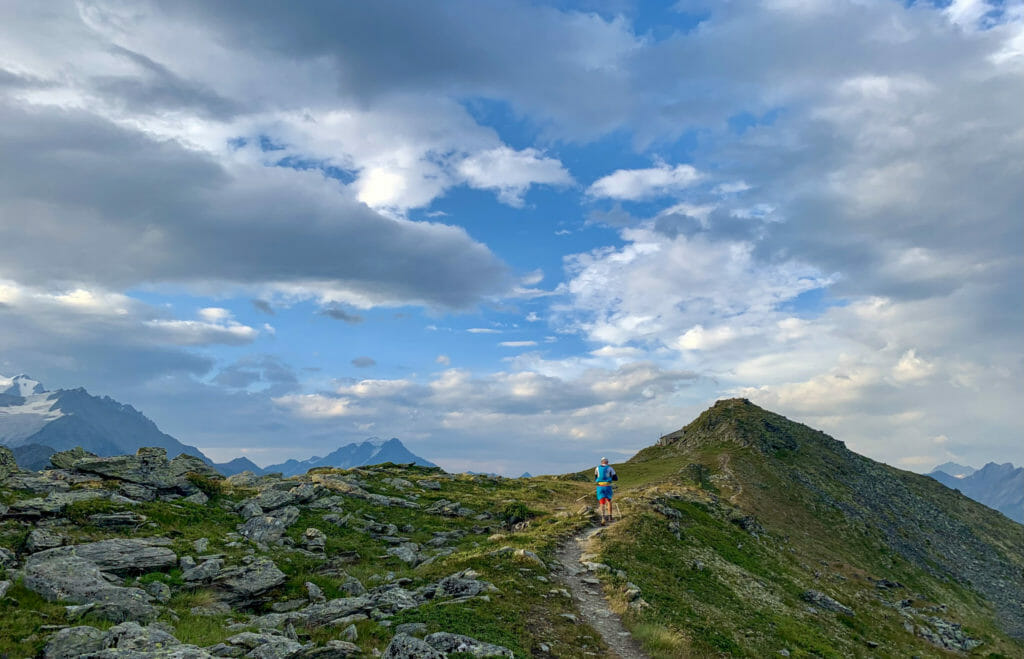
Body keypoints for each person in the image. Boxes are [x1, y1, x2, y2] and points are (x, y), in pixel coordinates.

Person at [595, 457, 617, 525]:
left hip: (600, 487)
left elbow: (596, 477)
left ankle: (603, 518)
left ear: (601, 462)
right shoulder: (610, 468)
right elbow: (615, 478)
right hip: (607, 486)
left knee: (602, 503)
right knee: (609, 501)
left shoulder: (597, 468)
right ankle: (610, 517)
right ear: (607, 462)